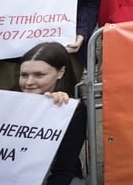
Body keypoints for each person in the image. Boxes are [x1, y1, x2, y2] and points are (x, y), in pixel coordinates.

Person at [16, 42, 86, 185]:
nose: (29, 82)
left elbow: (64, 169)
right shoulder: (5, 100)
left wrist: (57, 112)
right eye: (24, 75)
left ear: (60, 72)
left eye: (39, 75)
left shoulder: (72, 109)